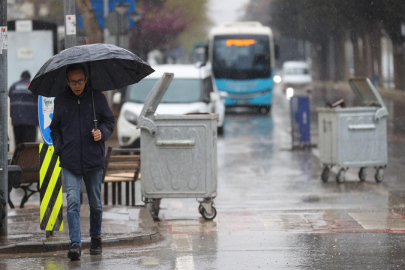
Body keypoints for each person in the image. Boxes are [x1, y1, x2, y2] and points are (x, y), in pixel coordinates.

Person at [50, 64, 115, 261]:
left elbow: (109, 122)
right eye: (72, 81)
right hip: (70, 160)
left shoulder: (97, 98)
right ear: (67, 81)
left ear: (86, 79)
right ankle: (75, 243)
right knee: (72, 202)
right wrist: (61, 147)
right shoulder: (61, 100)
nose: (76, 85)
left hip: (93, 159)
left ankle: (96, 237)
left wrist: (101, 132)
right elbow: (55, 129)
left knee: (95, 203)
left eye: (79, 81)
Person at [8, 70, 38, 147]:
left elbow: (8, 101)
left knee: (19, 144)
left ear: (21, 77)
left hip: (17, 121)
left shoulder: (14, 86)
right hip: (31, 122)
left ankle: (19, 158)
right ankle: (29, 159)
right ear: (29, 78)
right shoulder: (34, 86)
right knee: (30, 145)